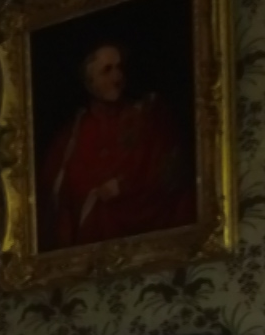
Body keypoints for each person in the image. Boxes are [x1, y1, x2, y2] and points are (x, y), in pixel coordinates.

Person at [38, 40, 194, 249]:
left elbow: (170, 173)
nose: (117, 77)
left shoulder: (148, 115)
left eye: (119, 68)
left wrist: (124, 187)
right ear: (89, 81)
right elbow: (55, 196)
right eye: (107, 71)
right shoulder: (71, 134)